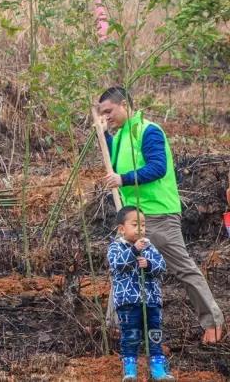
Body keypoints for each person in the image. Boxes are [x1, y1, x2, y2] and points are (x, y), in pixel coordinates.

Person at [100, 86, 224, 344]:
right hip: (132, 217)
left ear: (124, 104)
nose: (107, 117)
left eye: (109, 112)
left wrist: (122, 179)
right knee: (122, 267)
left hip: (159, 215)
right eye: (102, 114)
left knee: (183, 269)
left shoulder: (148, 130)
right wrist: (103, 135)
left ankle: (213, 322)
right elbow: (113, 160)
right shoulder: (121, 135)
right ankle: (115, 326)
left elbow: (157, 167)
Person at [108, 206, 174, 381]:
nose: (141, 229)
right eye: (135, 224)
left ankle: (158, 370)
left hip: (151, 299)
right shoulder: (116, 247)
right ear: (122, 229)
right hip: (128, 301)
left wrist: (149, 264)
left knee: (155, 334)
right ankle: (130, 370)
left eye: (143, 225)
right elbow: (117, 264)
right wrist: (134, 251)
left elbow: (162, 266)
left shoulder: (149, 246)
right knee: (131, 335)